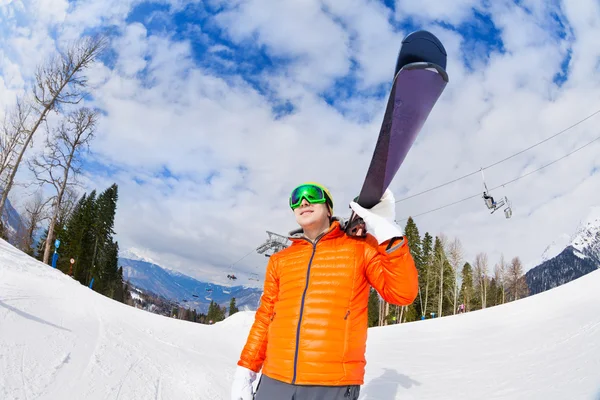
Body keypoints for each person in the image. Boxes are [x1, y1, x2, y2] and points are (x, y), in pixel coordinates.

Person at [230, 182, 419, 400]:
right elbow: (265, 318)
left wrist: (388, 232)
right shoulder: (280, 260)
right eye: (296, 198)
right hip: (274, 379)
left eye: (312, 195)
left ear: (329, 208)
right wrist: (246, 370)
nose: (303, 201)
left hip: (331, 384)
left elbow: (403, 293)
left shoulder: (360, 247)